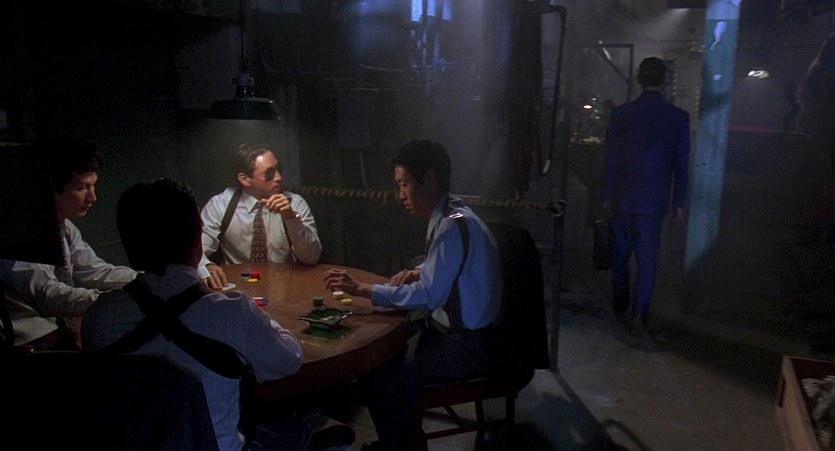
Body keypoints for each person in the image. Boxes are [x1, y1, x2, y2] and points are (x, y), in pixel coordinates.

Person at [81, 178, 311, 451]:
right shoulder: (232, 312)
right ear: (197, 239)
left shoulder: (98, 317)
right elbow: (289, 360)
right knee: (305, 423)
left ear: (129, 246)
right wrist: (260, 317)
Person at [323, 138, 502, 450]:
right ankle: (402, 440)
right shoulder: (455, 213)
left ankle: (401, 446)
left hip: (466, 346)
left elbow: (428, 296)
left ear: (428, 179)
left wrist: (362, 289)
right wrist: (421, 271)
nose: (401, 195)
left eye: (404, 184)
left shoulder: (450, 226)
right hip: (467, 336)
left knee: (381, 375)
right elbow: (450, 267)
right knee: (382, 357)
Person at [0, 139, 136, 350]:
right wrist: (113, 300)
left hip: (53, 331)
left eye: (93, 186)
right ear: (51, 188)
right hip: (28, 343)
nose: (93, 197)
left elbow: (94, 271)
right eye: (81, 188)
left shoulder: (66, 228)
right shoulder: (22, 233)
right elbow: (46, 296)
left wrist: (144, 280)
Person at [601, 56, 690, 336]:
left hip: (623, 196)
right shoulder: (678, 118)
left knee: (620, 255)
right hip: (654, 201)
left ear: (639, 79)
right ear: (664, 80)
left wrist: (606, 195)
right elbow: (681, 163)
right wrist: (679, 201)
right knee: (647, 260)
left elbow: (610, 159)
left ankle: (620, 304)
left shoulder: (621, 114)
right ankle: (640, 312)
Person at [199, 142, 322, 290]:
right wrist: (206, 266)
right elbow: (196, 250)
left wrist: (291, 217)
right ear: (245, 179)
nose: (278, 177)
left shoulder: (295, 203)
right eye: (269, 173)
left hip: (284, 288)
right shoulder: (221, 205)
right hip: (237, 288)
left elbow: (311, 257)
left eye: (279, 169)